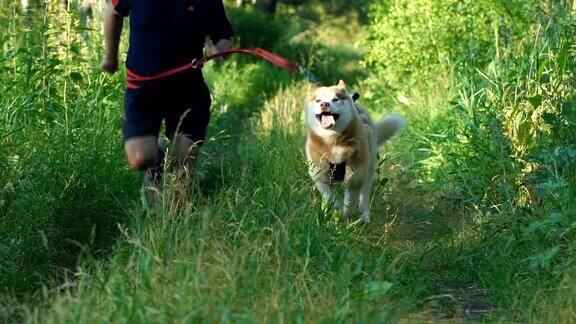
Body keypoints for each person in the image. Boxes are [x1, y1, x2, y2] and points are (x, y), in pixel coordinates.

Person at [100, 0, 234, 187]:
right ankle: (157, 162)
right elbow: (112, 12)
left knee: (182, 169)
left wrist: (218, 50)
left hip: (188, 89)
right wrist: (110, 58)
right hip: (143, 89)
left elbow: (224, 35)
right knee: (140, 159)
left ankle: (173, 210)